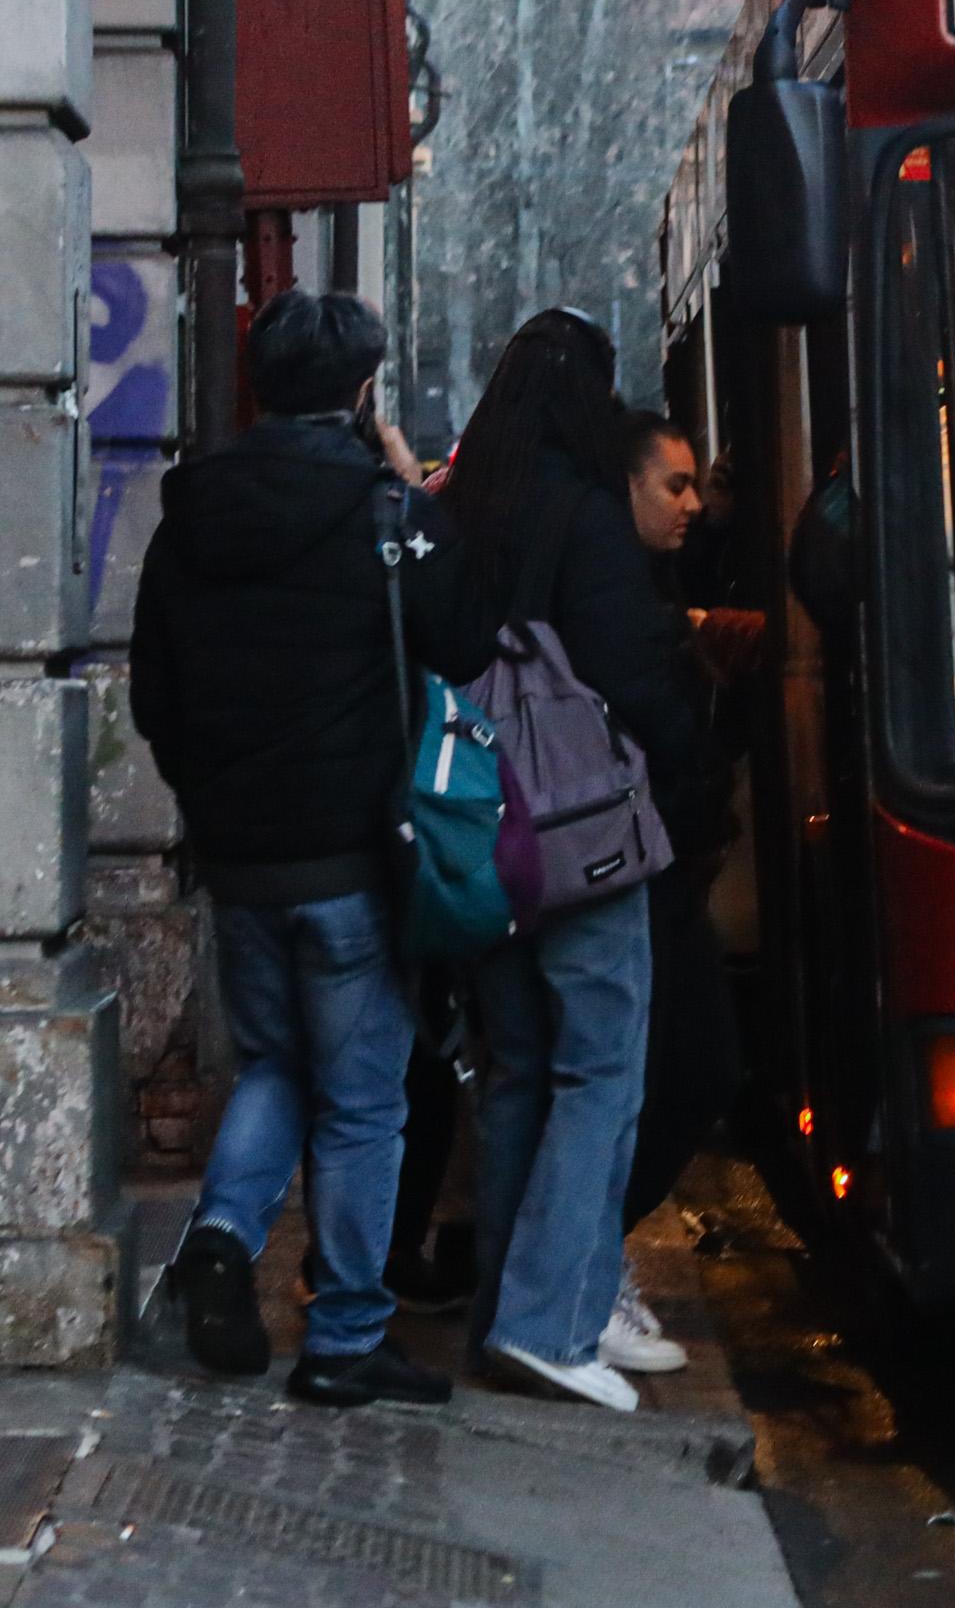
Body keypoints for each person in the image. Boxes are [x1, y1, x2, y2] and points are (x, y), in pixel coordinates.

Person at [130, 291, 494, 1408]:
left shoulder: (185, 521)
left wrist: (219, 798)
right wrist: (412, 480)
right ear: (361, 389)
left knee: (282, 1062)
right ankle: (343, 1333)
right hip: (355, 857)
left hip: (242, 859)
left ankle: (225, 1234)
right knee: (362, 1100)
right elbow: (467, 635)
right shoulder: (386, 512)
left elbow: (156, 697)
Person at [442, 309, 699, 1411]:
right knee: (602, 1068)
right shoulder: (586, 516)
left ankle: (519, 1304)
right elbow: (632, 675)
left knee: (516, 1073)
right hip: (581, 835)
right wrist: (683, 738)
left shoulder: (457, 510)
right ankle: (554, 1318)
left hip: (479, 841)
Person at [603, 411, 754, 1372]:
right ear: (624, 488)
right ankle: (576, 1263)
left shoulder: (643, 586)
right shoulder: (610, 596)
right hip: (630, 870)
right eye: (674, 485)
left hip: (653, 866)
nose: (694, 503)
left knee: (670, 1071)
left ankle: (577, 1258)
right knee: (660, 1072)